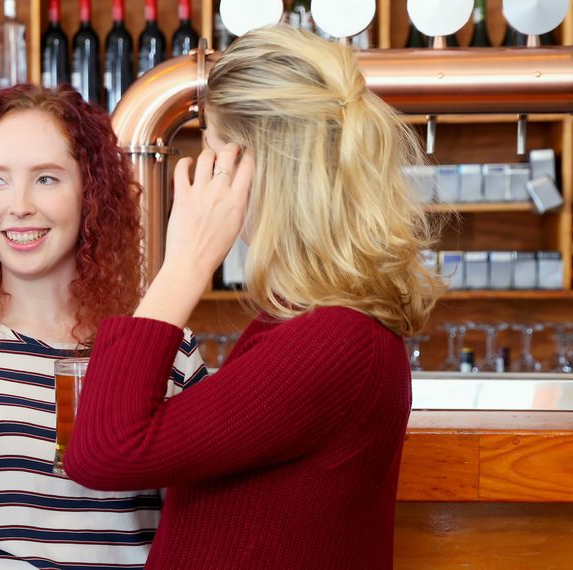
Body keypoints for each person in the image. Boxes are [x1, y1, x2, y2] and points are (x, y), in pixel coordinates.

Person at [65, 25, 443, 569]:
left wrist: (186, 264)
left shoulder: (333, 343)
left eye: (214, 153)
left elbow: (103, 450)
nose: (205, 175)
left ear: (259, 166)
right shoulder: (315, 327)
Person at [0, 84, 208, 569]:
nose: (19, 205)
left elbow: (198, 528)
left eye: (47, 179)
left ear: (91, 193)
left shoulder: (166, 353)